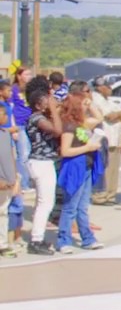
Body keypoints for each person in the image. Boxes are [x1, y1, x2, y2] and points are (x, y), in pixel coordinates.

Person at [53, 95, 105, 253]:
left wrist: (91, 105)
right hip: (75, 168)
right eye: (82, 104)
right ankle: (63, 240)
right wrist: (87, 148)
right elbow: (65, 151)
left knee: (83, 207)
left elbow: (99, 118)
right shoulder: (69, 127)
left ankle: (88, 238)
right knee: (70, 207)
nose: (85, 106)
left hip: (87, 167)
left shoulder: (83, 123)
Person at [23, 87, 61, 255]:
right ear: (38, 105)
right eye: (46, 100)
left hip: (44, 162)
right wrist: (53, 109)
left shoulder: (41, 117)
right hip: (40, 162)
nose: (49, 102)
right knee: (45, 203)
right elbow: (57, 130)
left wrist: (55, 110)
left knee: (44, 202)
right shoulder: (36, 118)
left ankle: (38, 237)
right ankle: (36, 240)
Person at [89, 78, 121, 205]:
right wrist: (120, 113)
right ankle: (100, 196)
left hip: (115, 138)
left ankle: (110, 195)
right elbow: (110, 116)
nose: (110, 88)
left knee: (114, 170)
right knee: (105, 168)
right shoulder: (95, 98)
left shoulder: (109, 100)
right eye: (107, 86)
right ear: (99, 87)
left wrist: (120, 114)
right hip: (105, 138)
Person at [0, 104, 16, 258]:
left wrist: (15, 178)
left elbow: (11, 157)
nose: (5, 117)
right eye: (3, 114)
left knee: (3, 213)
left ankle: (3, 244)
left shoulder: (5, 134)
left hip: (8, 182)